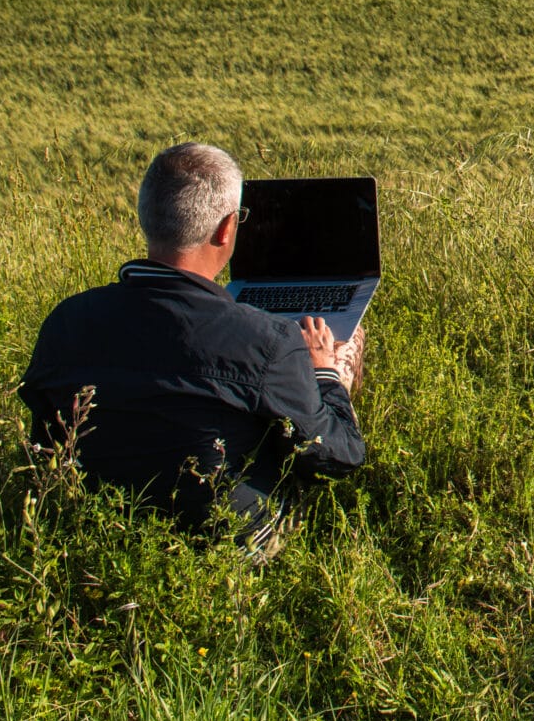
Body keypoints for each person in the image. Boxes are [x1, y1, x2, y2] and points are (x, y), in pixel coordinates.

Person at [20, 142, 367, 555]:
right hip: (225, 542)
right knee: (339, 355)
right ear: (226, 229)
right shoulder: (268, 340)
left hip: (93, 529)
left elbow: (44, 439)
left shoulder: (66, 321)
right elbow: (338, 456)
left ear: (147, 217)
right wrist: (323, 372)